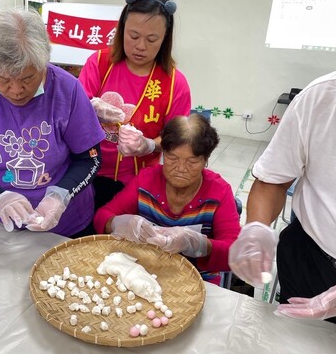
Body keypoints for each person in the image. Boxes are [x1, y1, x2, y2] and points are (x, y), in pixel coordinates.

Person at [0, 8, 105, 237]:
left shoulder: (67, 89)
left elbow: (89, 159)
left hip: (67, 225)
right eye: (4, 79)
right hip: (2, 225)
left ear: (44, 63)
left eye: (28, 78)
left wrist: (60, 195)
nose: (16, 91)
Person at [229, 62, 336, 330]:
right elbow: (273, 181)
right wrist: (256, 228)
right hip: (310, 260)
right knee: (295, 338)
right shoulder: (323, 97)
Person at [94, 114, 240, 285]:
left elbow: (235, 255)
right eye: (172, 158)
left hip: (198, 281)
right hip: (146, 273)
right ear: (163, 153)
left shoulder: (219, 191)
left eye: (192, 161)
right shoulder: (147, 180)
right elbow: (102, 216)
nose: (180, 169)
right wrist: (119, 223)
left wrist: (198, 244)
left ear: (205, 160)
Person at [78, 0, 192, 210]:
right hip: (88, 169)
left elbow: (176, 139)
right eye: (133, 36)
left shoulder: (175, 83)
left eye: (152, 40)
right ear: (121, 31)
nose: (141, 46)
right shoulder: (100, 62)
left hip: (137, 180)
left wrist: (148, 145)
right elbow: (74, 113)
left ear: (165, 39)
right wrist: (91, 106)